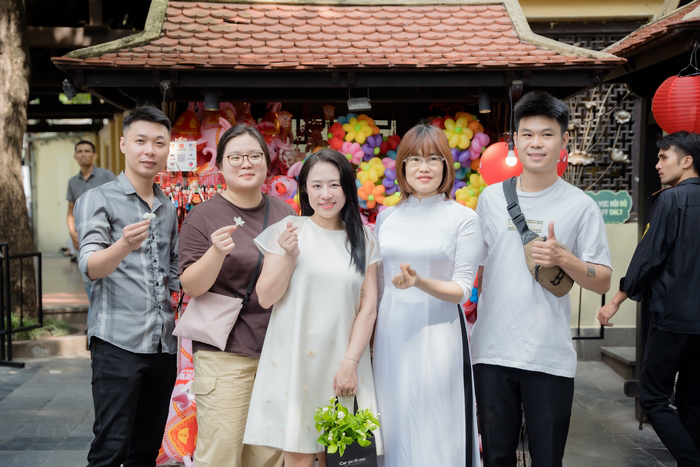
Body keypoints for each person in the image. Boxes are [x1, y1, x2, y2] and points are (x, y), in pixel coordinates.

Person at [471, 90, 612, 467]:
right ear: (514, 140)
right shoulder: (490, 199)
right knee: (496, 457)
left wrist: (564, 258)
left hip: (549, 355)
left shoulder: (581, 205)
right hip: (492, 351)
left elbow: (602, 281)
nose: (536, 143)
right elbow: (477, 268)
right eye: (528, 134)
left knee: (548, 459)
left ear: (564, 141)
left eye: (547, 134)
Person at [243, 149, 382, 467]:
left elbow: (368, 308)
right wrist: (289, 256)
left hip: (344, 360)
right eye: (317, 185)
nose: (326, 194)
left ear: (347, 188)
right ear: (305, 189)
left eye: (334, 185)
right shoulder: (290, 229)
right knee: (299, 455)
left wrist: (350, 364)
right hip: (296, 360)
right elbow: (265, 297)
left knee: (340, 455)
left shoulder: (364, 239)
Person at [178, 125, 292, 467]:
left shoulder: (285, 213)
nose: (246, 163)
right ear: (221, 165)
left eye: (254, 156)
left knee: (268, 455)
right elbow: (190, 286)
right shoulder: (203, 216)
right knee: (221, 454)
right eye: (236, 157)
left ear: (267, 163)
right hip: (224, 354)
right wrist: (215, 252)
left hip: (275, 351)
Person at [372, 123, 483, 467]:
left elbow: (462, 290)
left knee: (437, 427)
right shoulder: (386, 218)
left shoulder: (463, 219)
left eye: (434, 159)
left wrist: (420, 282)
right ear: (402, 166)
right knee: (394, 423)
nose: (424, 167)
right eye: (415, 159)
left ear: (447, 166)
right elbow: (377, 286)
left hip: (439, 337)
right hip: (391, 336)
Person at [75, 106, 178, 467]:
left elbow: (174, 273)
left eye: (159, 143)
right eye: (141, 141)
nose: (150, 150)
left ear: (168, 149)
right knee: (111, 445)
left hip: (163, 344)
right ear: (123, 144)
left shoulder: (167, 205)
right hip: (117, 342)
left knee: (146, 448)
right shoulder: (98, 198)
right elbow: (90, 266)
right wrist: (123, 245)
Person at [598, 131, 700, 466]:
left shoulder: (671, 200)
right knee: (691, 400)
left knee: (653, 396)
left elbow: (649, 256)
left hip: (674, 317)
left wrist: (617, 298)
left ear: (686, 161)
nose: (658, 164)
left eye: (663, 157)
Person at [67, 140, 116, 257]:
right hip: (82, 235)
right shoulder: (72, 182)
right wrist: (72, 233)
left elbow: (118, 203)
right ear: (75, 156)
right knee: (84, 266)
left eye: (87, 151)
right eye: (80, 151)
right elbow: (70, 210)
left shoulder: (107, 175)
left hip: (107, 233)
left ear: (94, 155)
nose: (83, 154)